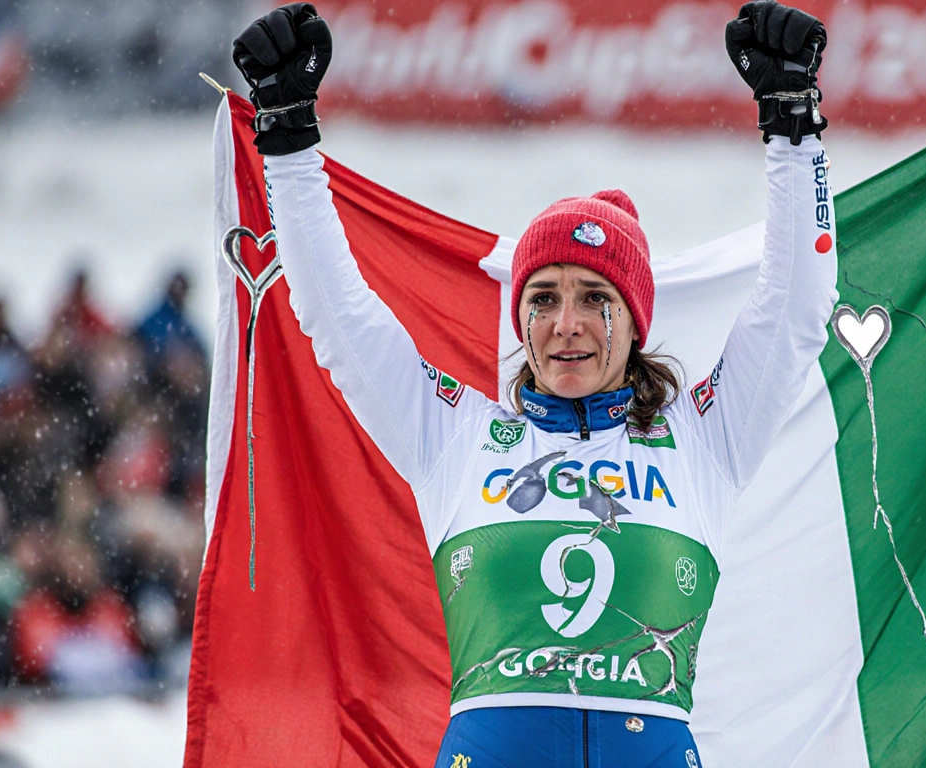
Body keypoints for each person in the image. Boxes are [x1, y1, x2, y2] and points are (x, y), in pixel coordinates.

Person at [232, 2, 837, 765]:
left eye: (595, 298)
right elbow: (335, 313)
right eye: (543, 298)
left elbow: (797, 308)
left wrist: (794, 126)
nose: (566, 323)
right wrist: (286, 138)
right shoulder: (456, 435)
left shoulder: (702, 439)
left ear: (636, 319)